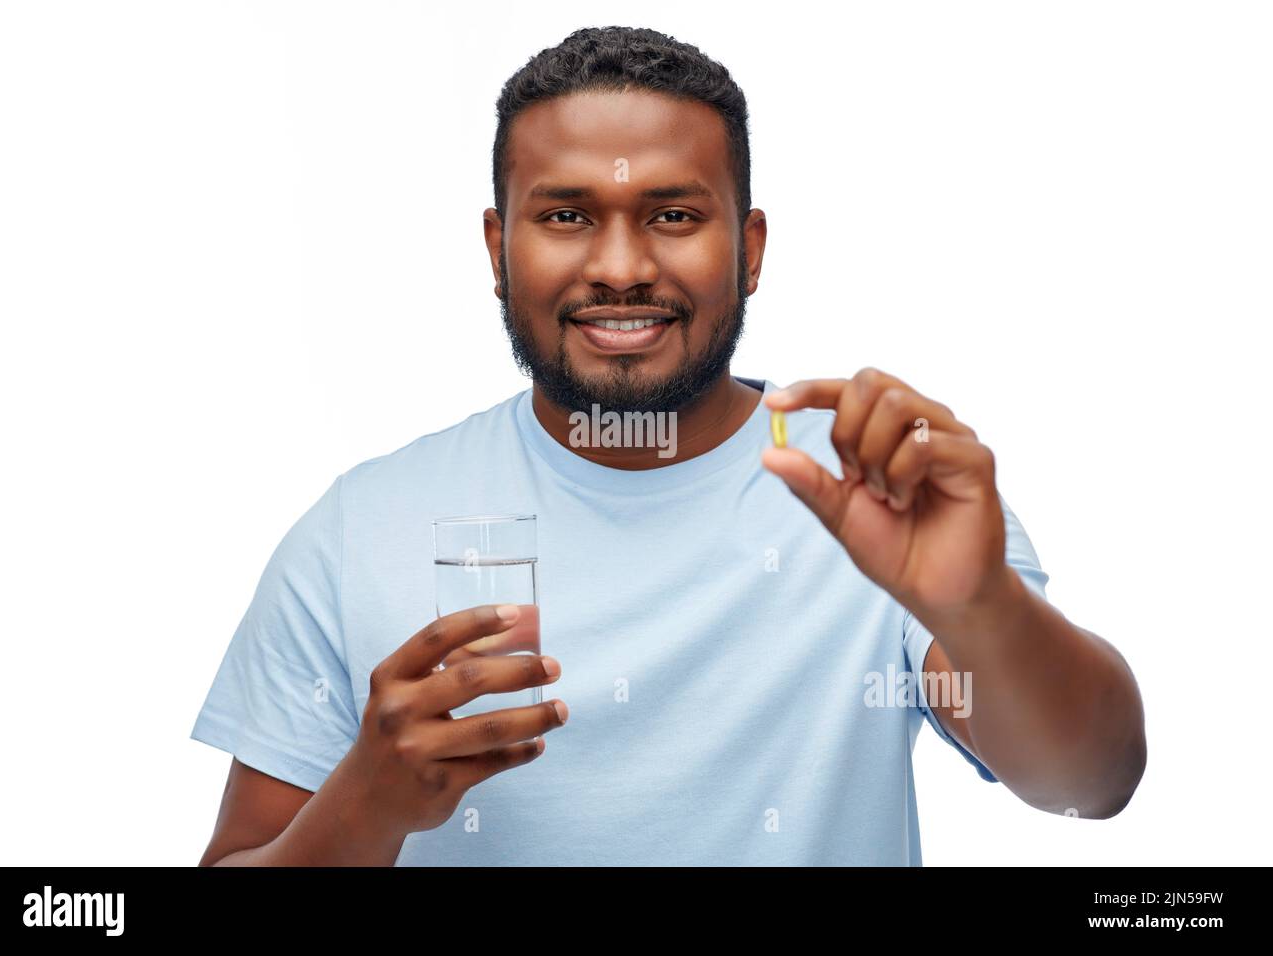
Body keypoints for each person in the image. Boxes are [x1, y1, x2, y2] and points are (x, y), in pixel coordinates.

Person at [191, 25, 1146, 866]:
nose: (620, 267)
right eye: (566, 216)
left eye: (674, 215)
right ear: (497, 250)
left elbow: (1090, 780)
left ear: (751, 249)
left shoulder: (874, 490)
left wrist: (983, 608)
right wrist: (366, 805)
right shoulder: (361, 528)